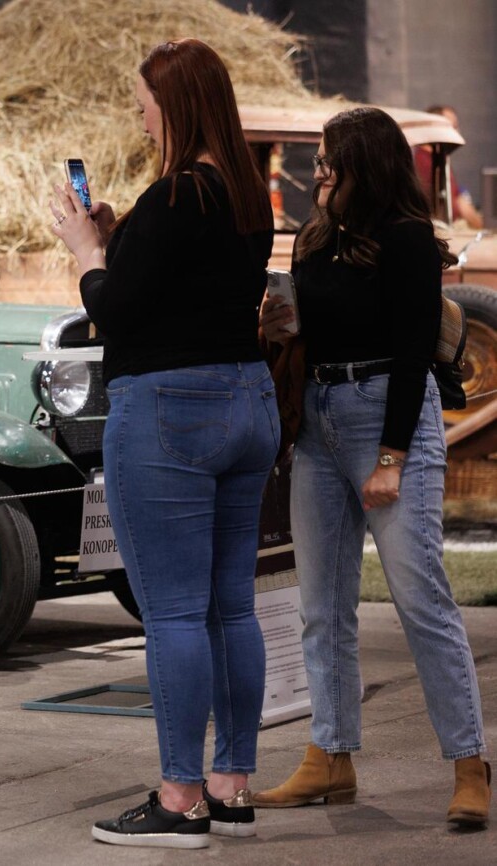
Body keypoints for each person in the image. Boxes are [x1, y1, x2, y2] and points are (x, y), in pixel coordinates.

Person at [50, 38, 278, 849]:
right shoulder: (247, 197)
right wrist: (123, 242)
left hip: (171, 410)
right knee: (232, 607)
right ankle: (232, 785)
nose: (140, 118)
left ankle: (180, 798)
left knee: (175, 611)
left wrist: (88, 253)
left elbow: (119, 309)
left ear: (174, 106)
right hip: (248, 401)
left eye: (144, 105)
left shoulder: (174, 195)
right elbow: (178, 283)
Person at [256, 106, 490, 828]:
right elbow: (312, 333)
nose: (319, 170)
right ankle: (330, 758)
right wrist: (278, 325)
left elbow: (415, 353)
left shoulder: (407, 238)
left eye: (330, 158)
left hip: (388, 413)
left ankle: (470, 764)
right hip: (319, 420)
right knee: (321, 607)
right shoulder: (316, 237)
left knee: (421, 600)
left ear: (366, 161)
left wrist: (390, 459)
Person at [413, 104, 484, 229]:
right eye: (453, 126)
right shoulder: (427, 163)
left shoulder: (435, 159)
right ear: (434, 127)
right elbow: (455, 207)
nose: (458, 132)